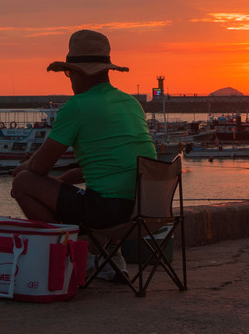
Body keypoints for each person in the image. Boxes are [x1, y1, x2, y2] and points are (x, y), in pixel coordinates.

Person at [11, 29, 157, 228]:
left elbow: (39, 167)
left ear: (79, 73)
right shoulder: (131, 103)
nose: (70, 79)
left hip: (108, 212)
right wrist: (62, 181)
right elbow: (112, 165)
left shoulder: (77, 106)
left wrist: (24, 168)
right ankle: (97, 252)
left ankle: (67, 252)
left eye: (69, 72)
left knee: (23, 182)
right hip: (145, 210)